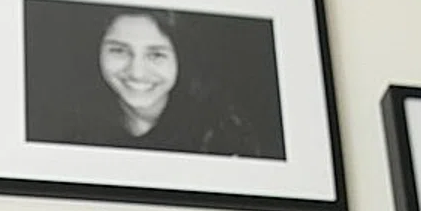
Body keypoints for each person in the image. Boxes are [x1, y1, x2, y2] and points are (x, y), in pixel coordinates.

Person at [58, 8, 268, 157]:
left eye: (156, 55)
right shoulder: (70, 126)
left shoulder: (222, 134)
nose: (137, 72)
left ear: (181, 57)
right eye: (119, 50)